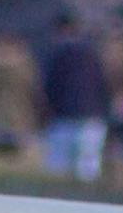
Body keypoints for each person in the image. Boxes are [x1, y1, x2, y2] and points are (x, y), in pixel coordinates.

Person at [35, 16, 115, 184]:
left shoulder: (56, 55)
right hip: (93, 117)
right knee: (88, 169)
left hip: (64, 118)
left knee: (58, 168)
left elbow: (50, 87)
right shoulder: (94, 55)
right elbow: (105, 86)